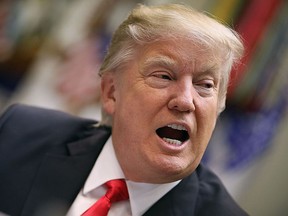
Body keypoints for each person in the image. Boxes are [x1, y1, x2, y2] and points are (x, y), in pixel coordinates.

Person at [0, 3, 247, 216]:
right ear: (110, 92)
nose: (185, 101)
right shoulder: (18, 134)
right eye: (164, 76)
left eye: (205, 85)